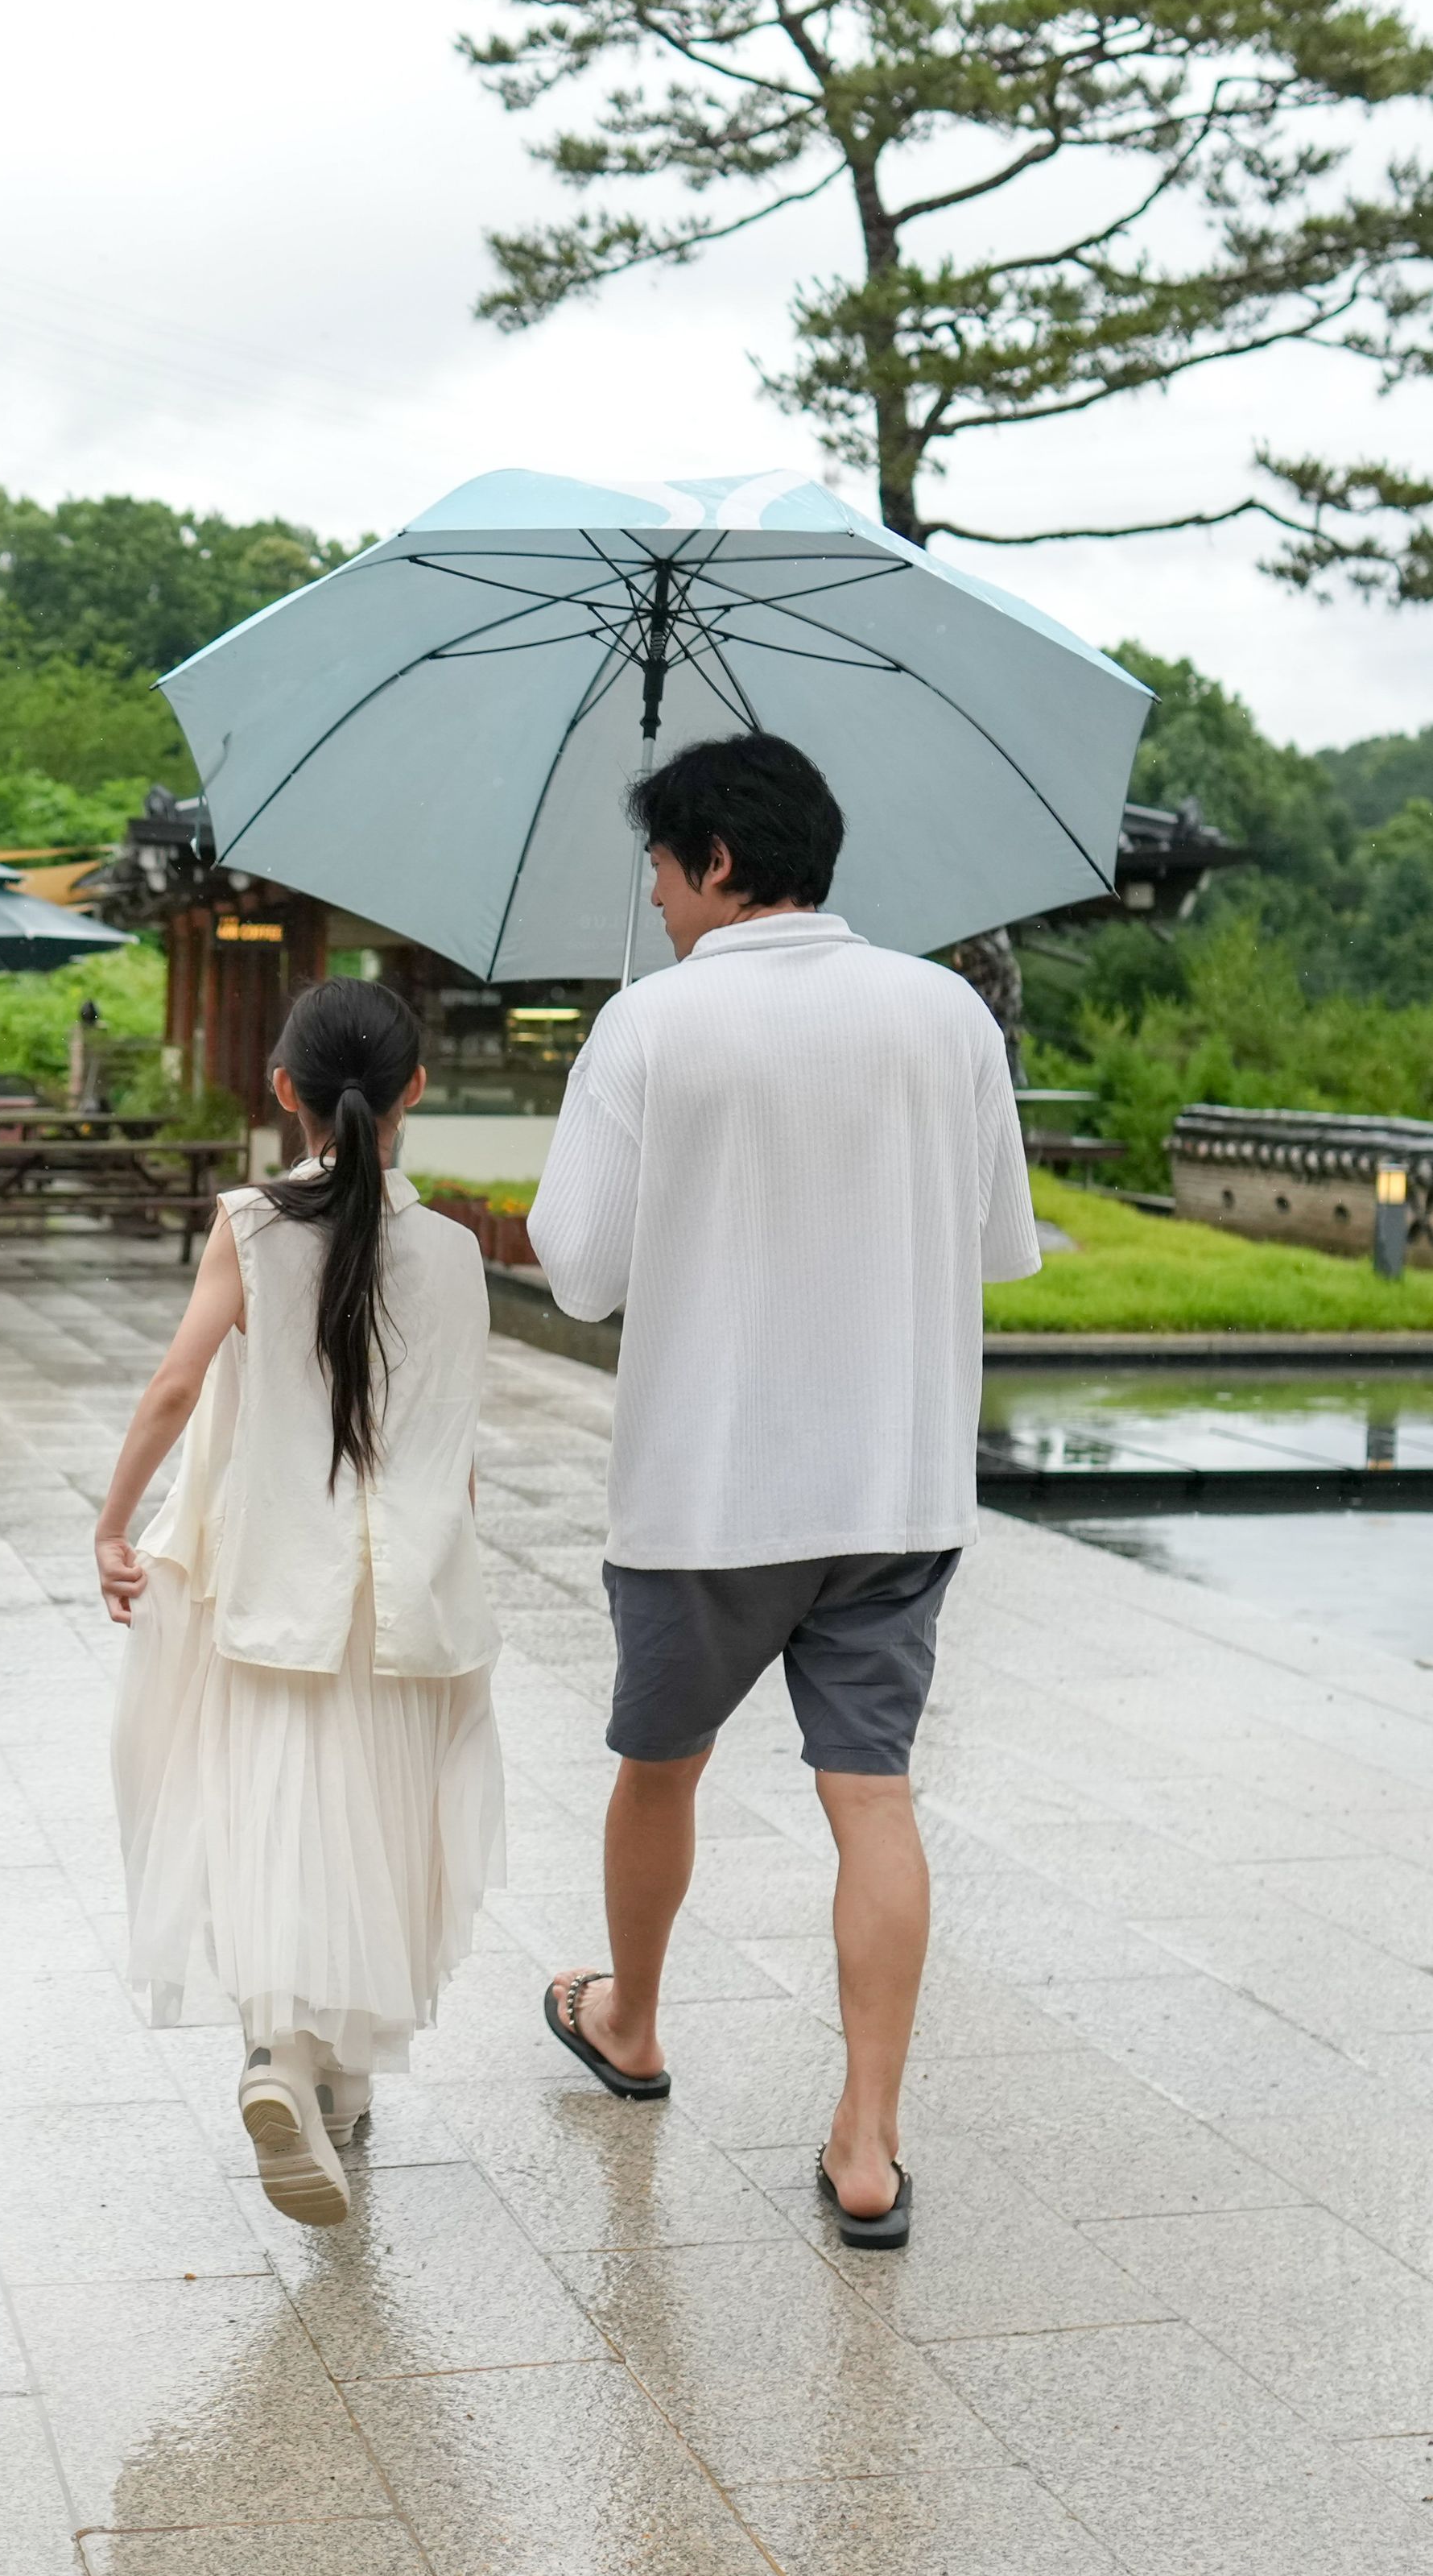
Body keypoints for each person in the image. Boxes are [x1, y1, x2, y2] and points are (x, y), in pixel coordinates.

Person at [519, 734, 1039, 2251]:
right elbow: (1002, 1244)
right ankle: (867, 2140)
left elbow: (580, 1269)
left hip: (708, 1489)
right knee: (869, 1795)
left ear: (721, 866)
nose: (662, 901)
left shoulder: (652, 1025)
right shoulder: (947, 1014)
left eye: (665, 873)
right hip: (897, 1484)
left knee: (660, 1766)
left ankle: (631, 2024)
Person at [90, 978, 502, 2223]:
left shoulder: (254, 1226)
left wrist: (113, 1523)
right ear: (415, 1092)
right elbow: (455, 1443)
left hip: (273, 1580)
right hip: (407, 1600)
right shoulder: (458, 1252)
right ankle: (336, 2082)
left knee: (271, 1807)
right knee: (374, 1826)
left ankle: (280, 2051)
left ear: (284, 1091)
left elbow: (174, 1385)